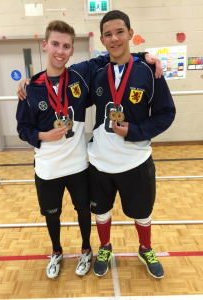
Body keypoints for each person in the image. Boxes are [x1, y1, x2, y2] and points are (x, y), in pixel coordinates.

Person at [16, 20, 163, 279]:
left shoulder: (81, 74)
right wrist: (43, 135)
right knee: (54, 214)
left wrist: (146, 56)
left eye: (66, 46)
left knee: (86, 210)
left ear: (72, 50)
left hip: (78, 166)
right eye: (55, 44)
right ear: (45, 45)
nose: (60, 51)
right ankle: (57, 252)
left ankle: (89, 249)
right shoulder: (31, 87)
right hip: (49, 168)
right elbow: (22, 128)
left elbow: (117, 51)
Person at [87, 10, 176, 279]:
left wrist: (135, 130)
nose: (114, 38)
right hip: (100, 161)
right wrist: (30, 81)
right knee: (100, 211)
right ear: (102, 40)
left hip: (135, 160)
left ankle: (145, 248)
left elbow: (165, 113)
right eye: (108, 34)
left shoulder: (149, 71)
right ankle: (105, 247)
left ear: (130, 34)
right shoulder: (97, 71)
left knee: (142, 212)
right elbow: (62, 78)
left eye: (120, 32)